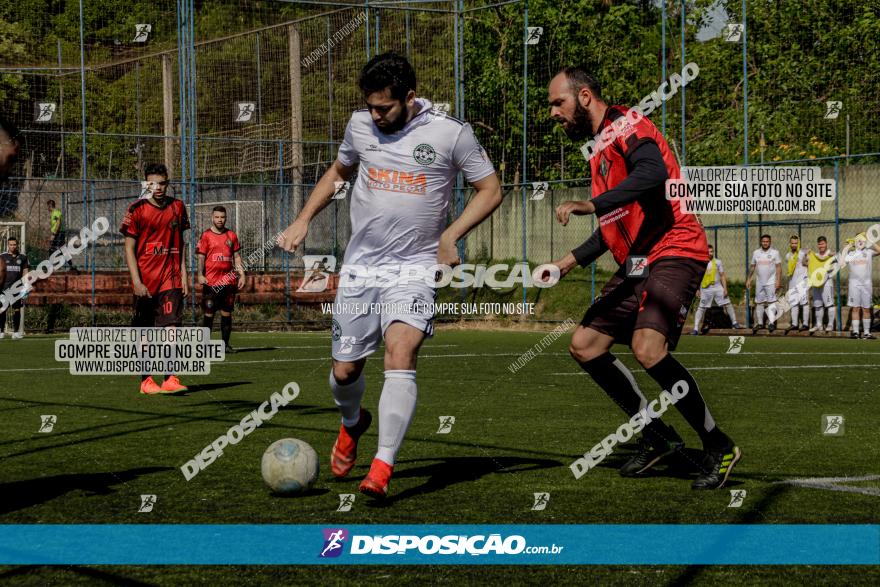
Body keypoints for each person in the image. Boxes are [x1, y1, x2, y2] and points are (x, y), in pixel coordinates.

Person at [277, 52, 502, 499]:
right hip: (362, 268)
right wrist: (304, 218)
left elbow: (490, 189)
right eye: (371, 106)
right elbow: (340, 170)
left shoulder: (450, 133)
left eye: (385, 108)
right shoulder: (360, 125)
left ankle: (382, 466)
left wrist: (451, 235)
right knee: (344, 372)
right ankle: (352, 421)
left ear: (410, 98)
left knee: (401, 353)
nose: (375, 115)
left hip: (415, 267)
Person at [540, 66, 740, 490]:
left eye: (558, 102)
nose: (553, 112)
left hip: (676, 247)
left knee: (647, 348)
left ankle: (718, 445)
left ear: (586, 96)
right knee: (585, 344)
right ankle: (657, 437)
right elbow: (614, 220)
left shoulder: (628, 124)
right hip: (639, 259)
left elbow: (652, 175)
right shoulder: (600, 148)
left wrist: (590, 205)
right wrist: (564, 264)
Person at [120, 163, 190, 394]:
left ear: (168, 183)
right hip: (146, 281)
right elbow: (129, 248)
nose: (157, 188)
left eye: (161, 183)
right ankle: (146, 380)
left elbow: (180, 244)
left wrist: (184, 276)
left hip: (170, 278)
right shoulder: (137, 209)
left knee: (172, 327)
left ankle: (170, 378)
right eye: (152, 183)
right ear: (145, 184)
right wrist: (136, 282)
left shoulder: (178, 207)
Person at [197, 205, 245, 353]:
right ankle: (204, 346)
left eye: (222, 217)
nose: (220, 220)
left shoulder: (231, 236)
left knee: (226, 313)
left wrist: (242, 274)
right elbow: (201, 257)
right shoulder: (206, 236)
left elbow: (236, 257)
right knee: (209, 314)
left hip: (228, 282)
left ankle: (225, 345)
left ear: (226, 218)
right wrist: (199, 274)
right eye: (217, 217)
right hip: (211, 282)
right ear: (212, 218)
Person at [691, 244, 741, 334]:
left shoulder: (718, 262)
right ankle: (695, 329)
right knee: (701, 307)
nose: (710, 253)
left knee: (728, 303)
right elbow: (697, 277)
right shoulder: (700, 262)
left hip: (718, 287)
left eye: (712, 251)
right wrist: (697, 289)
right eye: (708, 251)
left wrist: (725, 288)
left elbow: (722, 275)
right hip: (705, 288)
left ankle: (734, 322)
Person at [842, 232, 879, 339]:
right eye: (858, 239)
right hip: (854, 285)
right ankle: (856, 332)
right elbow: (842, 263)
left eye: (862, 239)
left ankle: (867, 333)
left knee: (866, 309)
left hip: (867, 285)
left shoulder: (868, 252)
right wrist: (846, 248)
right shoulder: (851, 254)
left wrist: (871, 241)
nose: (860, 241)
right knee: (855, 308)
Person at [745, 235, 782, 334]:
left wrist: (778, 281)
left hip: (771, 282)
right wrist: (748, 279)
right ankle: (760, 323)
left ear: (770, 242)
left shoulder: (775, 253)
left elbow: (778, 267)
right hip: (759, 282)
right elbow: (752, 266)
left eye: (767, 241)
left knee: (771, 302)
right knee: (759, 302)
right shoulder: (756, 253)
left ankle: (771, 323)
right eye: (763, 241)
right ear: (761, 242)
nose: (765, 243)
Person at [0, 237, 29, 339]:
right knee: (3, 309)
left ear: (17, 245)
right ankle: (1, 332)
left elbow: (25, 272)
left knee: (17, 310)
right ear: (8, 245)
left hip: (17, 288)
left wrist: (25, 287)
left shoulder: (23, 257)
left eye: (14, 245)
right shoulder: (2, 256)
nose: (13, 246)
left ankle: (16, 332)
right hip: (4, 288)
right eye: (11, 245)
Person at [807, 236, 837, 333]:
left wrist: (834, 255)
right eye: (819, 244)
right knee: (817, 304)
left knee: (829, 304)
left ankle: (830, 324)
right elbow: (804, 263)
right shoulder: (814, 255)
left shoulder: (831, 254)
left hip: (827, 282)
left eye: (823, 243)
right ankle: (819, 325)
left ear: (826, 244)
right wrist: (806, 255)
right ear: (817, 245)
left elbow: (841, 259)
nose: (821, 246)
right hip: (816, 283)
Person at [784, 235, 810, 333]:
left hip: (803, 281)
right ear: (790, 244)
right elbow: (790, 270)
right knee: (793, 303)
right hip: (792, 282)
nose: (794, 245)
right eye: (792, 243)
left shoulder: (803, 253)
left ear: (798, 243)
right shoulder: (788, 256)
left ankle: (805, 324)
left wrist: (807, 257)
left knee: (804, 303)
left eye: (796, 243)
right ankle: (794, 324)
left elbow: (809, 263)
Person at [47, 199, 76, 272]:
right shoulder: (54, 213)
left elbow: (58, 223)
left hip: (59, 233)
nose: (47, 208)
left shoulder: (56, 212)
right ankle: (70, 265)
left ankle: (51, 266)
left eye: (48, 206)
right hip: (58, 233)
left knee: (53, 248)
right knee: (59, 249)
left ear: (50, 206)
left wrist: (54, 234)